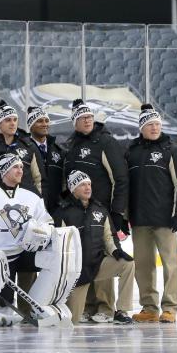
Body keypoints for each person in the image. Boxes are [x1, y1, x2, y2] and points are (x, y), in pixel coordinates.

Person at [0, 153, 82, 326]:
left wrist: (40, 232)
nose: (20, 170)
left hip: (25, 251)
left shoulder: (31, 192)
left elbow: (46, 221)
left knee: (56, 257)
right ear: (4, 170)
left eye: (21, 167)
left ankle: (42, 304)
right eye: (15, 167)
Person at [62, 98, 129, 318]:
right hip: (79, 211)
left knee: (103, 256)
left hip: (103, 212)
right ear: (75, 122)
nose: (88, 120)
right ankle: (89, 306)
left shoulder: (105, 142)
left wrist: (118, 212)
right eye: (82, 118)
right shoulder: (72, 146)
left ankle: (105, 308)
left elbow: (120, 178)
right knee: (85, 256)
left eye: (90, 116)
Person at [126, 104, 177, 324]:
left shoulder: (171, 149)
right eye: (150, 124)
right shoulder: (131, 151)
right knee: (143, 266)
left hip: (165, 220)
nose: (154, 128)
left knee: (170, 264)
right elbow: (125, 186)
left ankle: (170, 307)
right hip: (139, 220)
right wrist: (125, 216)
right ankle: (149, 308)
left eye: (157, 124)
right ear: (141, 127)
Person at [56, 171, 135, 325]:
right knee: (73, 320)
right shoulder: (62, 212)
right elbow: (60, 246)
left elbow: (108, 237)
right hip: (77, 272)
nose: (88, 188)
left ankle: (122, 310)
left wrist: (116, 251)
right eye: (83, 184)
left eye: (89, 184)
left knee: (128, 264)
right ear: (73, 188)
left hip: (98, 264)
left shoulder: (100, 209)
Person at [0, 100, 43, 195]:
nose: (13, 123)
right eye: (8, 120)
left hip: (25, 205)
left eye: (15, 119)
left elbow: (39, 180)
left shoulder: (30, 147)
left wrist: (39, 204)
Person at [26, 106, 64, 213]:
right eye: (39, 121)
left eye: (47, 121)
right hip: (33, 208)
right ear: (31, 125)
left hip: (56, 209)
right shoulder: (24, 149)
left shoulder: (59, 150)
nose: (44, 124)